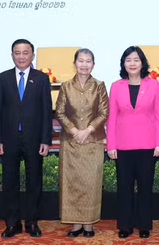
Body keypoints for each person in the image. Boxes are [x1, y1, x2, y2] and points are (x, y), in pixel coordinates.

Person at [0, 39, 52, 238]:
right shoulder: (2, 78)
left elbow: (46, 112)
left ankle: (32, 222)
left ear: (32, 56)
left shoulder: (42, 79)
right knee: (10, 182)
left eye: (25, 53)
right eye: (17, 53)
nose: (21, 56)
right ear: (12, 55)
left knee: (34, 181)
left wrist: (45, 139)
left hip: (34, 139)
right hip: (8, 139)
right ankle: (12, 223)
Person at [106, 46, 159, 239]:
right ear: (124, 64)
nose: (132, 63)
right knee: (124, 187)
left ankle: (144, 225)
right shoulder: (116, 86)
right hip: (123, 146)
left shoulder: (154, 85)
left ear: (142, 63)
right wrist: (111, 145)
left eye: (136, 60)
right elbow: (112, 118)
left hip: (148, 145)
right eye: (128, 60)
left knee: (145, 187)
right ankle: (125, 225)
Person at [54, 48, 109, 237]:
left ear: (93, 64)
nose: (84, 64)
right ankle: (76, 224)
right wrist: (74, 131)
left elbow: (104, 112)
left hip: (93, 141)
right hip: (71, 142)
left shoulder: (100, 85)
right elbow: (59, 112)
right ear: (75, 63)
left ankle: (89, 224)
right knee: (73, 183)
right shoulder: (66, 86)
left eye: (88, 61)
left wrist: (88, 130)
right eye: (81, 61)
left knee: (91, 184)